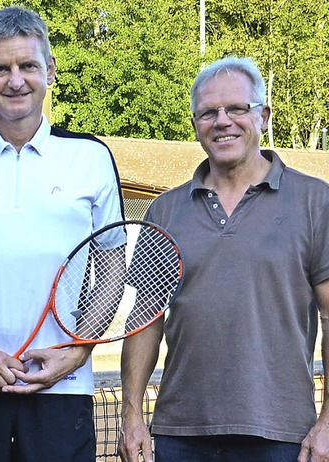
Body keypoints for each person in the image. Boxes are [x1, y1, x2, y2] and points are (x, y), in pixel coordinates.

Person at [0, 6, 125, 462]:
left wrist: (76, 352)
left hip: (61, 386)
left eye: (28, 66)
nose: (16, 80)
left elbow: (111, 266)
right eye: (1, 68)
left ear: (49, 70)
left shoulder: (90, 158)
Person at [118, 56, 329, 462]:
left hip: (282, 435)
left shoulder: (315, 202)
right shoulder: (164, 211)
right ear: (196, 123)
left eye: (237, 108)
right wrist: (131, 414)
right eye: (208, 112)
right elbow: (145, 318)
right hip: (182, 434)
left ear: (263, 116)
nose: (223, 121)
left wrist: (328, 421)